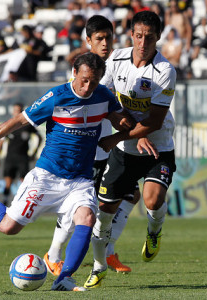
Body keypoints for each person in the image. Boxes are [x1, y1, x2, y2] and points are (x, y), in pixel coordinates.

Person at [0, 52, 134, 291]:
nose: (88, 86)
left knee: (87, 219)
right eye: (84, 80)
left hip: (80, 179)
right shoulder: (56, 97)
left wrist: (121, 135)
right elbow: (18, 121)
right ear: (74, 73)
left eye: (94, 81)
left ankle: (64, 278)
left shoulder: (103, 95)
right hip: (47, 176)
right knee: (8, 227)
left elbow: (124, 122)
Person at [85, 11, 177, 288]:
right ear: (131, 35)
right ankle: (99, 267)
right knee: (104, 212)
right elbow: (105, 98)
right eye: (138, 36)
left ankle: (154, 231)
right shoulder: (116, 59)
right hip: (127, 148)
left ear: (158, 37)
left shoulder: (165, 71)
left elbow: (155, 121)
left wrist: (117, 137)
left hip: (158, 146)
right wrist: (131, 134)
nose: (142, 42)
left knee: (152, 200)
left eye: (149, 37)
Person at [44, 15, 138, 277]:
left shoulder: (116, 66)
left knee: (130, 196)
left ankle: (108, 251)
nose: (106, 43)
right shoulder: (86, 73)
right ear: (88, 41)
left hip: (113, 147)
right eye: (99, 38)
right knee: (81, 208)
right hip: (91, 152)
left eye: (109, 37)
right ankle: (53, 254)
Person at [0, 103, 42, 206]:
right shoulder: (8, 125)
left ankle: (24, 204)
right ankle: (5, 203)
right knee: (8, 183)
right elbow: (1, 142)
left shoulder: (28, 125)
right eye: (15, 110)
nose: (16, 112)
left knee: (24, 182)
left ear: (22, 111)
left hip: (23, 157)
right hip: (10, 157)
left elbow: (40, 138)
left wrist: (34, 153)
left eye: (18, 110)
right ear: (12, 112)